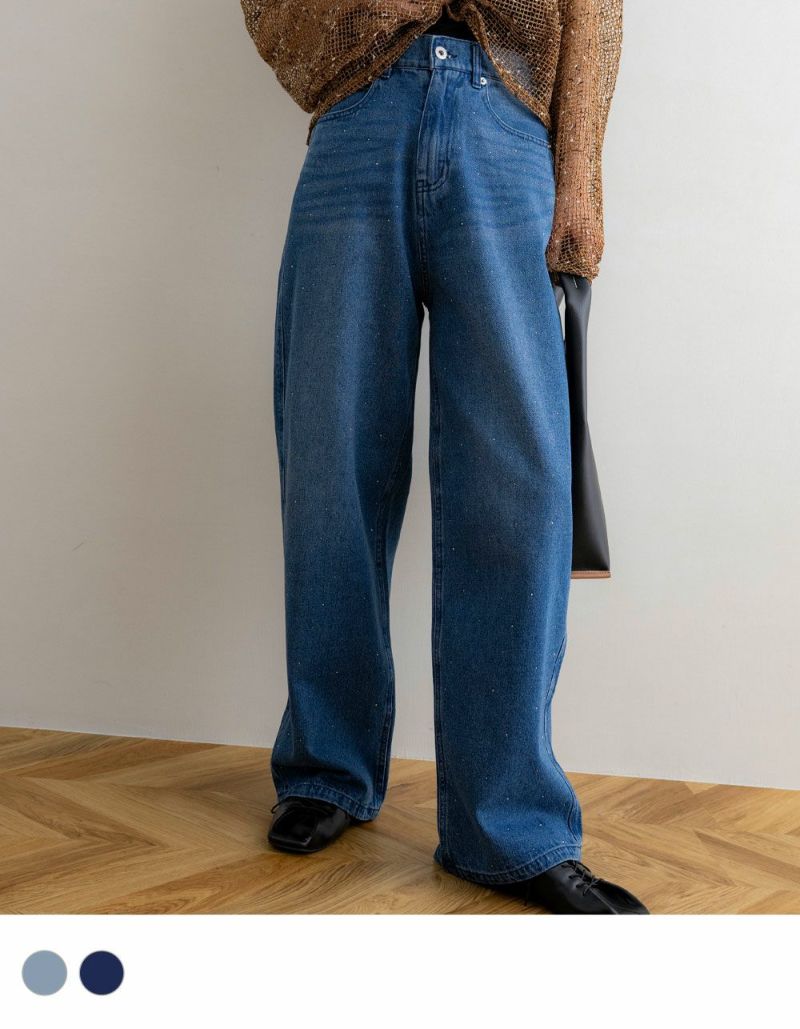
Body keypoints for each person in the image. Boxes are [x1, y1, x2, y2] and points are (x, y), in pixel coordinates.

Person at [241, 0, 648, 914]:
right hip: (356, 122)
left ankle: (506, 825)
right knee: (330, 468)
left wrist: (580, 174)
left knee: (517, 487)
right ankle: (326, 766)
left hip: (511, 129)